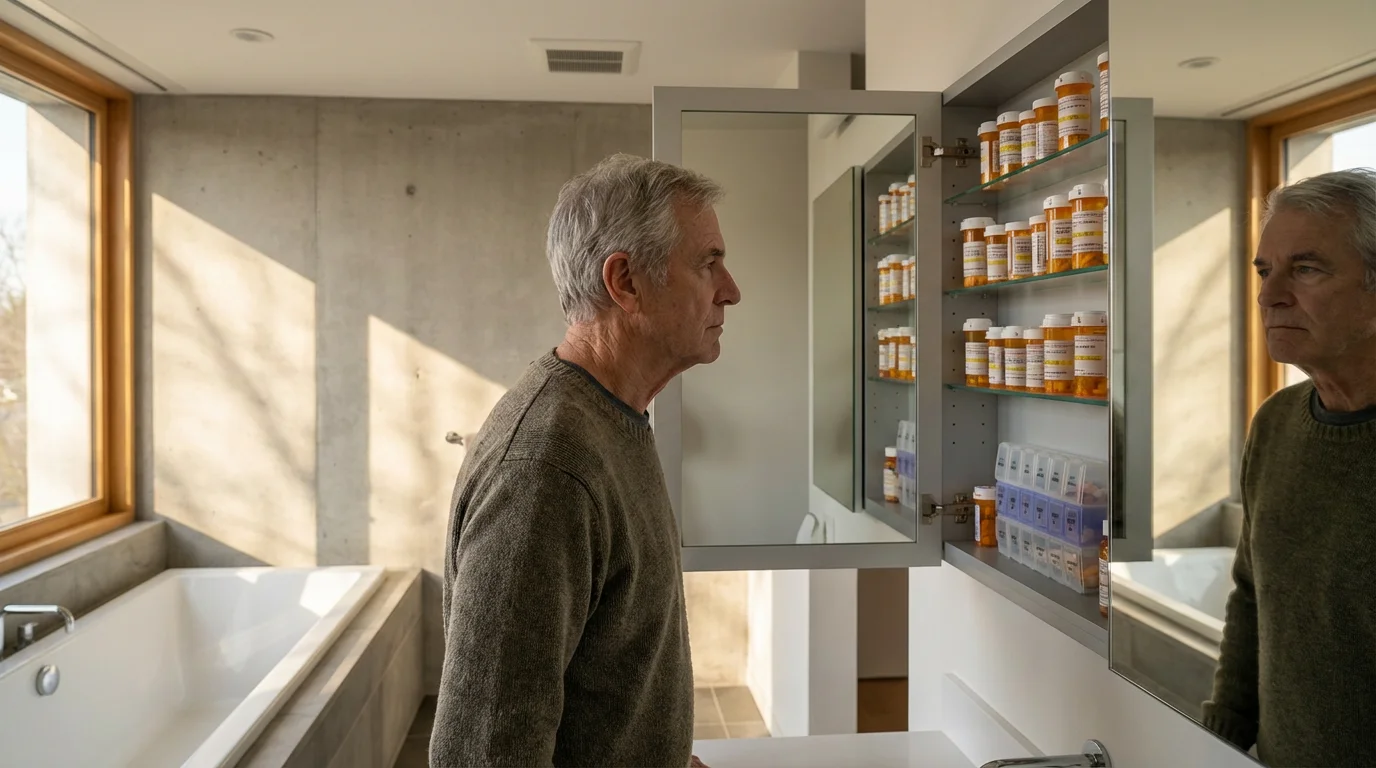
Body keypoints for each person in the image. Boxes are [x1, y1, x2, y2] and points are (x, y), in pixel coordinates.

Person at [430, 154, 739, 768]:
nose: (731, 290)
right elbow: (483, 757)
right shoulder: (546, 470)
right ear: (625, 283)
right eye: (708, 263)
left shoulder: (613, 417)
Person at [1203, 167, 1376, 767]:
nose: (1269, 295)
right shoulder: (1276, 422)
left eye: (1305, 269)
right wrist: (1219, 737)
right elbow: (1252, 596)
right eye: (1263, 269)